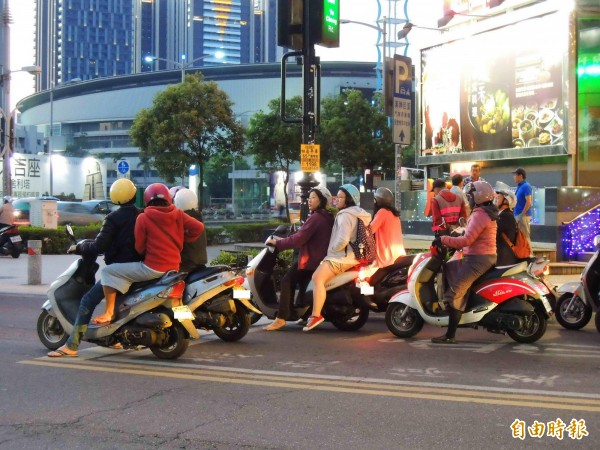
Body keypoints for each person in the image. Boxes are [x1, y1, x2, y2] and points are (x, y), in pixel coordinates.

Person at [47, 179, 142, 357]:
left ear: (114, 197)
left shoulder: (113, 218)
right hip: (139, 267)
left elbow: (99, 246)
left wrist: (80, 247)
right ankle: (116, 339)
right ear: (134, 195)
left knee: (87, 301)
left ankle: (72, 345)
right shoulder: (141, 214)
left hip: (119, 270)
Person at [93, 183, 204, 325]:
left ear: (147, 200)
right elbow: (199, 228)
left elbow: (139, 247)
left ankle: (108, 313)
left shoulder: (143, 217)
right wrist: (183, 238)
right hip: (174, 267)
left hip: (152, 268)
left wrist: (147, 251)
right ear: (168, 198)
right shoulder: (178, 214)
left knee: (108, 271)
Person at [431, 181, 498, 344]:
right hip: (479, 256)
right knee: (450, 268)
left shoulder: (480, 214)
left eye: (470, 196)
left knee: (454, 292)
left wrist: (443, 239)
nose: (468, 199)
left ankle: (450, 335)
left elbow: (467, 240)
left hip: (477, 259)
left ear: (478, 197)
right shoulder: (486, 212)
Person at [263, 187, 334, 331]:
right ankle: (304, 315)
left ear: (322, 201)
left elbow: (299, 239)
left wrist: (278, 243)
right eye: (309, 197)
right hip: (320, 259)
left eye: (313, 197)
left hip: (311, 259)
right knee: (303, 284)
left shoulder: (316, 217)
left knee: (287, 281)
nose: (309, 200)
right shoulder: (327, 216)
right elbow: (304, 233)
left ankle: (281, 318)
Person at [304, 184, 371, 332]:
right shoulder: (361, 213)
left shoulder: (345, 215)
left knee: (317, 278)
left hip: (340, 259)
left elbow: (342, 240)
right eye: (337, 197)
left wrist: (332, 251)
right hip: (356, 257)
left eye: (341, 197)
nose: (337, 200)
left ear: (348, 199)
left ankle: (316, 315)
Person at [172, 188, 208, 272]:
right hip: (200, 263)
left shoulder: (181, 219)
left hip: (186, 265)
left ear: (177, 202)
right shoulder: (198, 217)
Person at [370, 187, 406, 268]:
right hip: (398, 255)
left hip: (387, 258)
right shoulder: (394, 214)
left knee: (363, 274)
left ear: (376, 200)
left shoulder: (382, 212)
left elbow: (369, 231)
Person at [494, 181, 519, 266]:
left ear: (506, 201)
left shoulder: (506, 216)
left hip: (503, 257)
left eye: (499, 197)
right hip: (502, 255)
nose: (496, 198)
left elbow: (493, 232)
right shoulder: (504, 214)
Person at [513, 167, 533, 256]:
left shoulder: (526, 186)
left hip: (523, 216)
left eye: (515, 175)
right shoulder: (520, 186)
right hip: (518, 215)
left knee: (525, 236)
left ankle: (530, 255)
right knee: (521, 237)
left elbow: (529, 201)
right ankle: (525, 254)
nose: (514, 177)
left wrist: (522, 214)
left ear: (521, 176)